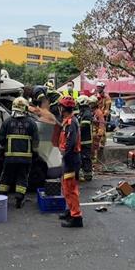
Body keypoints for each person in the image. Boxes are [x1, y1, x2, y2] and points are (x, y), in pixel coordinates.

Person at [0, 97, 39, 208]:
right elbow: (35, 141)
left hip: (9, 158)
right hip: (25, 158)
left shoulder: (7, 122)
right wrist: (35, 153)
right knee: (22, 178)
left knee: (6, 178)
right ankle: (19, 199)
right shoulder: (31, 123)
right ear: (25, 108)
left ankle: (1, 199)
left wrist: (4, 148)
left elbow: (1, 139)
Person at [56, 95, 83, 228]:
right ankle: (70, 211)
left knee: (71, 188)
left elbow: (70, 143)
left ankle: (76, 217)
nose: (59, 108)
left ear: (64, 108)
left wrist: (63, 155)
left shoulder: (71, 122)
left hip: (71, 159)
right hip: (68, 158)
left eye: (60, 106)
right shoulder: (67, 121)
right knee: (66, 187)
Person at [77, 95, 95, 181]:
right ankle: (84, 173)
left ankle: (88, 175)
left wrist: (75, 128)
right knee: (81, 157)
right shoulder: (82, 112)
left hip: (86, 140)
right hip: (81, 140)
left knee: (85, 157)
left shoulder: (87, 113)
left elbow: (84, 125)